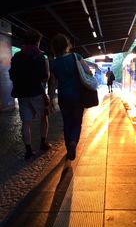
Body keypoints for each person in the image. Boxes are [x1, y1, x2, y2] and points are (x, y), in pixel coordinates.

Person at [49, 33, 92, 161]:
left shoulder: (54, 63)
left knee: (67, 122)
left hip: (63, 96)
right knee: (77, 122)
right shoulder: (76, 57)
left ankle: (68, 147)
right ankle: (73, 142)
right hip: (78, 96)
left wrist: (51, 99)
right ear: (67, 45)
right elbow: (88, 72)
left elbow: (52, 83)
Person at [9, 29, 51, 159]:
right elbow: (45, 78)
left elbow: (12, 75)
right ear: (37, 42)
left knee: (26, 123)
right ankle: (43, 143)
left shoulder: (16, 57)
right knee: (43, 117)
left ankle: (28, 150)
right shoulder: (40, 57)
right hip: (36, 93)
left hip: (22, 94)